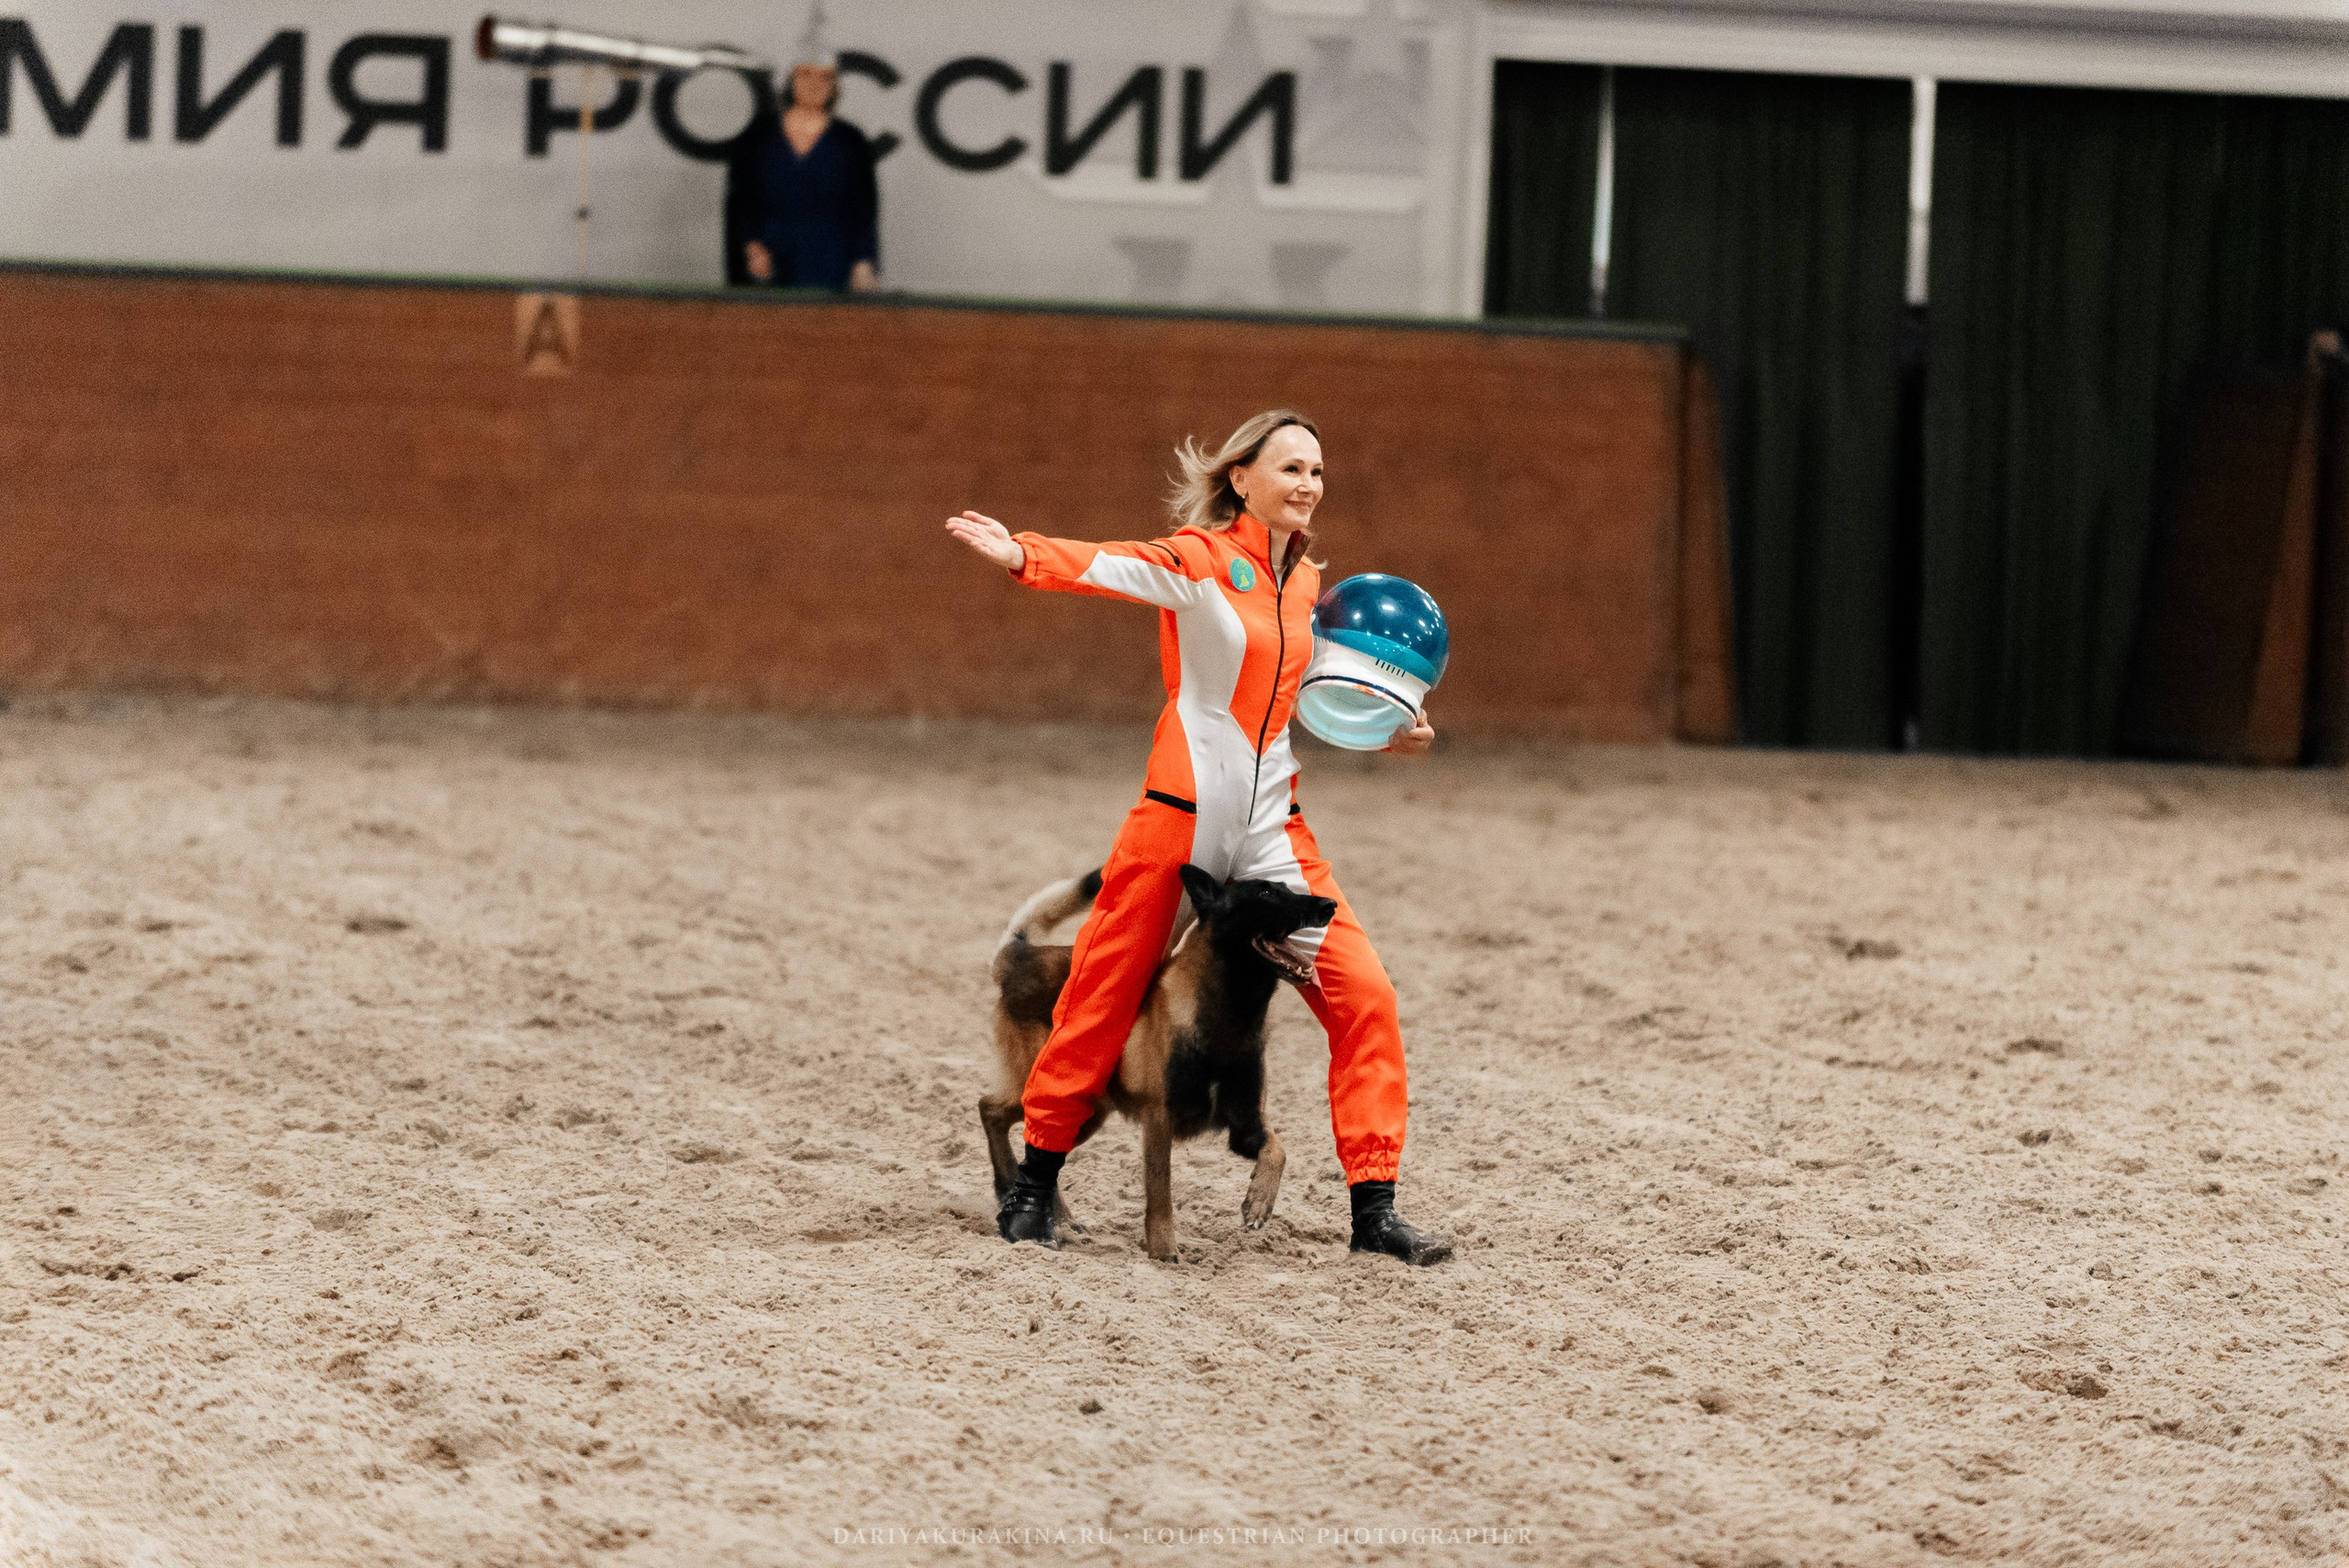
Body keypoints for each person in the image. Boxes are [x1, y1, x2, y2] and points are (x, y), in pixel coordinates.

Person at [942, 411, 1453, 1266]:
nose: (1308, 484)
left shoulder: (1310, 589)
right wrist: (1025, 554)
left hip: (1270, 832)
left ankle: (1375, 1212)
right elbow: (1114, 566)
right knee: (1100, 997)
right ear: (1242, 477)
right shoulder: (1200, 560)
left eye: (1319, 473)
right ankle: (1033, 1187)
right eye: (1291, 467)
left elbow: (1301, 700)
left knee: (1367, 997)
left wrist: (1387, 729)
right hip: (1178, 820)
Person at [722, 40, 878, 292]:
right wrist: (751, 245)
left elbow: (863, 209)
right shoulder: (759, 138)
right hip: (768, 263)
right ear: (789, 79)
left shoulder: (850, 141)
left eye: (825, 77)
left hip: (832, 263)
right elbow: (741, 202)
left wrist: (863, 261)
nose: (815, 84)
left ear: (835, 86)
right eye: (806, 74)